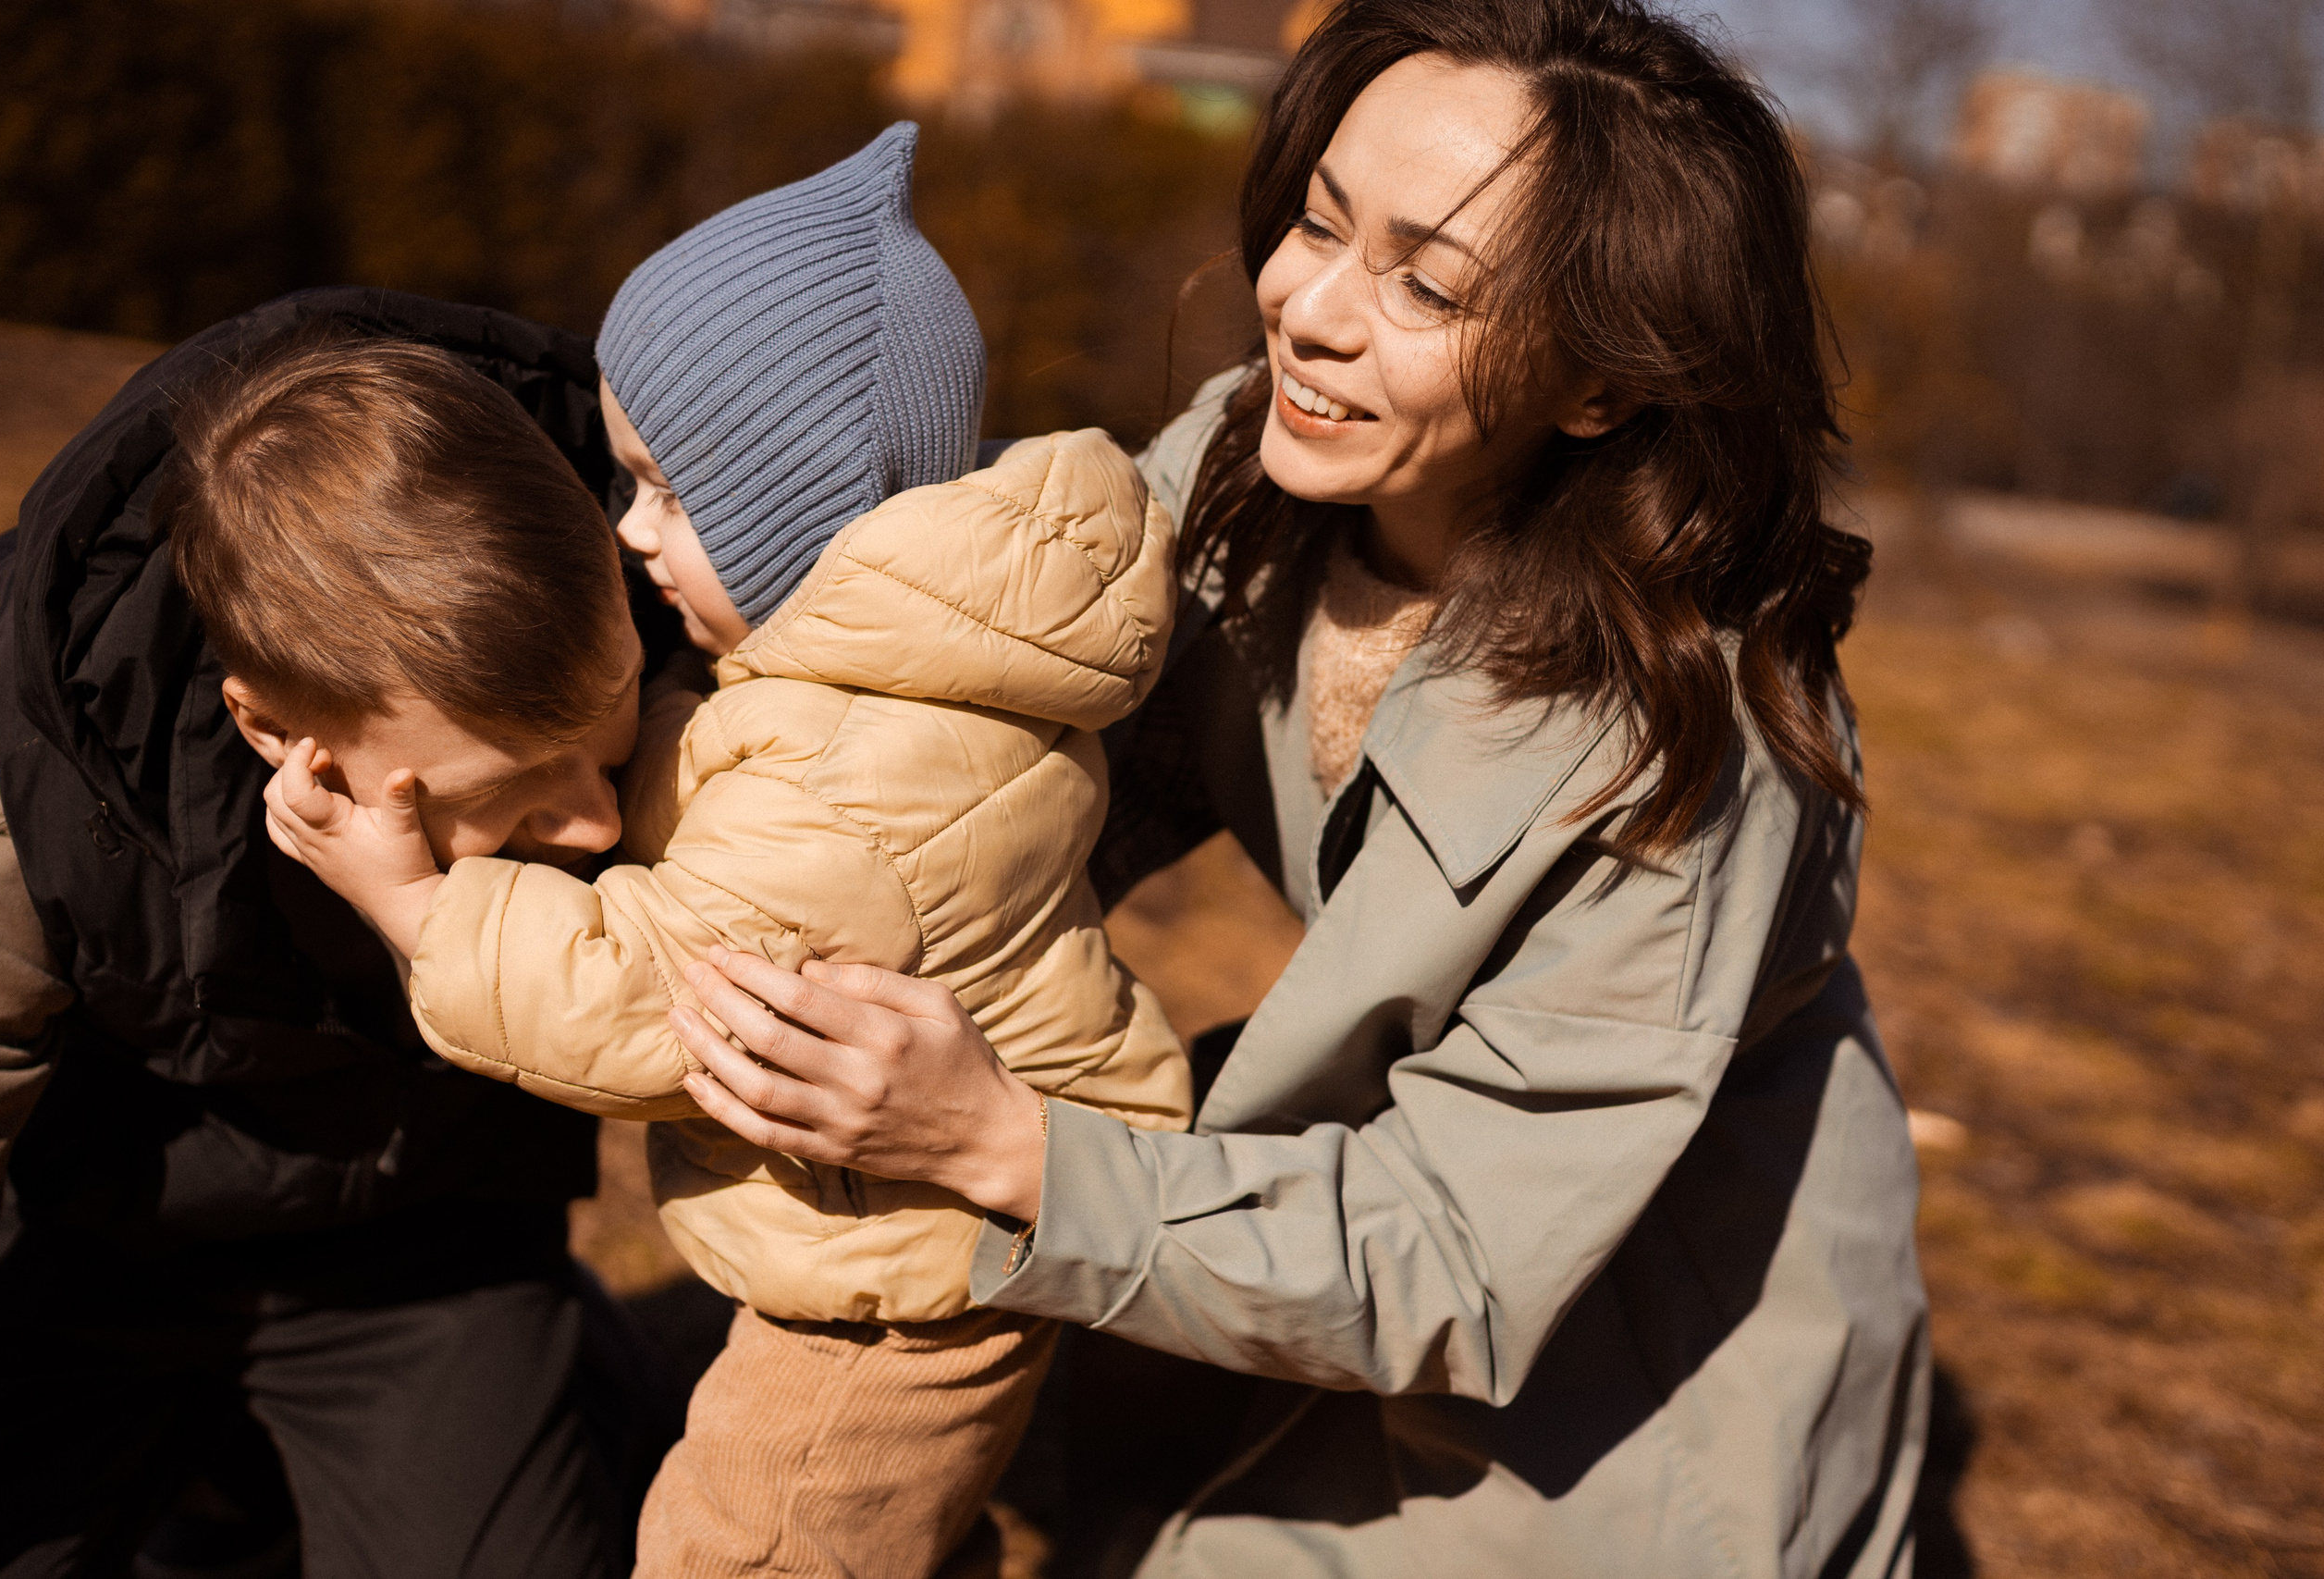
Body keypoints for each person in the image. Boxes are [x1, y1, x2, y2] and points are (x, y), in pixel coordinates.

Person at [662, 1, 1933, 1573]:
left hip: (1635, 1339)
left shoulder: (1684, 753)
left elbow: (1461, 1258)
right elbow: (994, 735)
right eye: (1320, 223)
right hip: (1346, 1181)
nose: (1307, 311)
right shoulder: (1249, 465)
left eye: (1428, 285)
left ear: (1601, 385)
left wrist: (1002, 1144)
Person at [262, 126, 1192, 1579]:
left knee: (743, 1547)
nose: (630, 531)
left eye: (671, 494)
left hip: (890, 1301)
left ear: (799, 516)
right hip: (906, 1247)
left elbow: (652, 1002)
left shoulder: (853, 774)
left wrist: (416, 905)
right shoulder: (904, 676)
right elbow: (733, 788)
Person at [0, 289, 677, 1578]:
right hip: (86, 1238)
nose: (598, 820)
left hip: (433, 1236)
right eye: (511, 786)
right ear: (274, 728)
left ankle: (572, 1382)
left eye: (611, 716)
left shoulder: (671, 566)